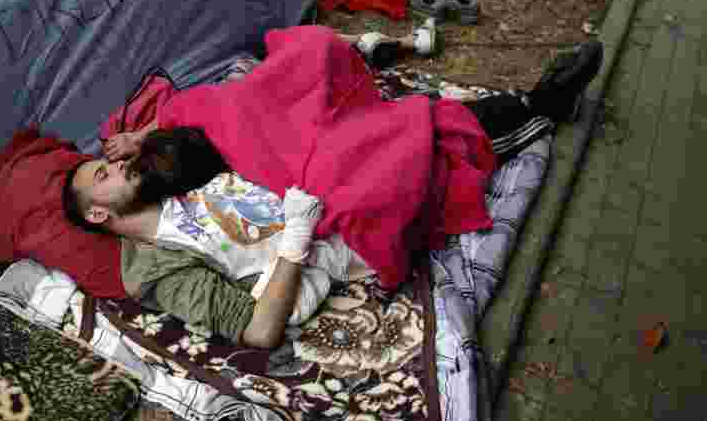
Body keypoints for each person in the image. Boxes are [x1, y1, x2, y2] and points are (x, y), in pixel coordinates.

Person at [70, 32, 604, 348]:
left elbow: (215, 118)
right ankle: (539, 105)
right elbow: (258, 329)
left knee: (310, 66)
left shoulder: (161, 179)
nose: (117, 165)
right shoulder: (153, 267)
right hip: (321, 223)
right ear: (99, 215)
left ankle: (371, 79)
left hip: (287, 170)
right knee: (404, 147)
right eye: (104, 175)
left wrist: (142, 135)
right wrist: (299, 233)